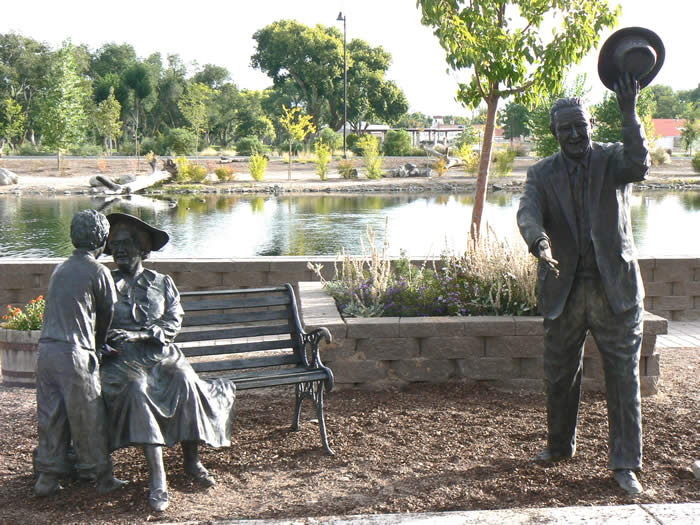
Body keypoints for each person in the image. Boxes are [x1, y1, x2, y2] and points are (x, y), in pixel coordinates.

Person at [517, 72, 650, 495]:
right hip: (565, 289)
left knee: (623, 378)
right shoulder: (541, 173)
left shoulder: (613, 160)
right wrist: (538, 241)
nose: (574, 134)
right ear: (554, 133)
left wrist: (629, 112)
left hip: (615, 289)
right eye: (564, 128)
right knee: (559, 374)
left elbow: (639, 163)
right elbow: (527, 211)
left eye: (580, 125)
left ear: (591, 124)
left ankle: (626, 464)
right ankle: (559, 445)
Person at [100, 212, 236, 512]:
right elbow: (92, 323)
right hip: (121, 360)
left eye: (125, 243)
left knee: (185, 379)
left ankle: (192, 461)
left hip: (159, 353)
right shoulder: (104, 283)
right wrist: (108, 341)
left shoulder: (162, 282)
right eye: (113, 244)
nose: (118, 250)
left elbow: (173, 321)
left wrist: (141, 335)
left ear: (141, 248)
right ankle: (158, 476)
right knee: (136, 390)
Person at [34, 209, 126, 497]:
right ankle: (101, 476)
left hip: (47, 352)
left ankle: (47, 478)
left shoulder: (59, 269)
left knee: (52, 415)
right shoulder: (98, 271)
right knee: (88, 414)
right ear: (102, 239)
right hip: (75, 353)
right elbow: (107, 311)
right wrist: (97, 347)